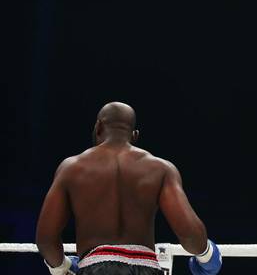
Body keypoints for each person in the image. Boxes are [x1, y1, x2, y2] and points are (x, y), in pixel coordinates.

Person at [35, 102, 222, 275]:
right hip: (146, 267)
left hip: (94, 267)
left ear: (98, 127)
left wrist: (62, 267)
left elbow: (46, 239)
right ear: (135, 136)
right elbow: (188, 232)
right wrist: (207, 256)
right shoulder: (160, 169)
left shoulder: (72, 168)